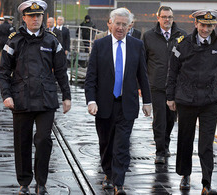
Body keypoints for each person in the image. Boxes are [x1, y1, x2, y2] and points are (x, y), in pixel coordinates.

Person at [0, 1, 71, 194]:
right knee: (22, 142)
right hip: (21, 99)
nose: (36, 19)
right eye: (32, 16)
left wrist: (66, 96)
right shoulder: (14, 41)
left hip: (46, 100)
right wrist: (6, 95)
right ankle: (24, 183)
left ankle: (41, 182)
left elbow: (62, 70)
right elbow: (4, 71)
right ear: (24, 18)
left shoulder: (51, 40)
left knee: (43, 140)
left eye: (39, 16)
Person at [166, 9, 217, 195]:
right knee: (185, 139)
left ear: (215, 26)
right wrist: (170, 97)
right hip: (186, 100)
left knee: (206, 144)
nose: (206, 29)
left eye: (210, 26)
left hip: (210, 101)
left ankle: (206, 183)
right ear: (195, 24)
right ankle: (185, 174)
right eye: (203, 25)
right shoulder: (182, 44)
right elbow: (172, 73)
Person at [84, 7, 151, 195]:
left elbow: (143, 76)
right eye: (117, 24)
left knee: (122, 144)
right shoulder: (100, 45)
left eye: (124, 24)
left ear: (130, 26)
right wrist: (91, 101)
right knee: (106, 144)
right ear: (110, 24)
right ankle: (108, 172)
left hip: (127, 104)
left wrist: (147, 101)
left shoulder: (137, 45)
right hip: (104, 105)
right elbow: (91, 78)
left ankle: (119, 183)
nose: (120, 28)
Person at [142, 6, 187, 164]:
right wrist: (142, 84)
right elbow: (143, 61)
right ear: (158, 18)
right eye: (164, 17)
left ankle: (165, 144)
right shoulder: (148, 36)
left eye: (170, 17)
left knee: (170, 119)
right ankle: (160, 151)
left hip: (175, 86)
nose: (167, 20)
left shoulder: (182, 36)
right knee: (159, 119)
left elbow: (186, 61)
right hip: (157, 85)